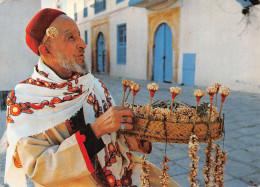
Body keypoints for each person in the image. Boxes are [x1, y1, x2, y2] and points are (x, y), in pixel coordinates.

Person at [4, 8, 179, 187]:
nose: (83, 43)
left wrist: (138, 133)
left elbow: (115, 139)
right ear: (47, 50)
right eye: (70, 37)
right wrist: (95, 131)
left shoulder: (93, 85)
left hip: (122, 174)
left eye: (79, 35)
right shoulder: (25, 102)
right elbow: (39, 169)